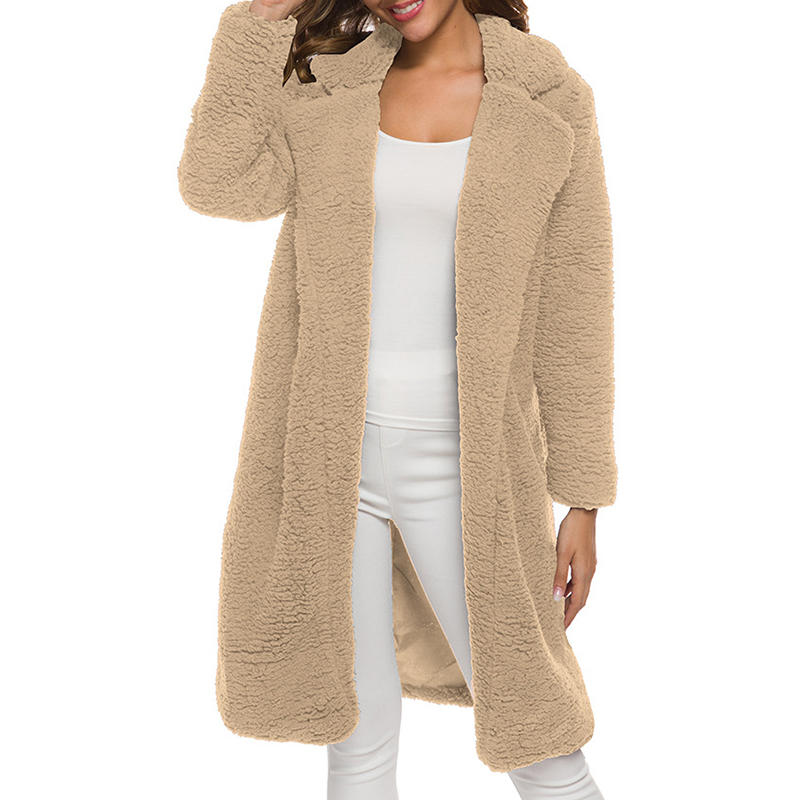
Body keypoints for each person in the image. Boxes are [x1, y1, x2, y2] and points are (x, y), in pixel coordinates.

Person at [178, 1, 617, 798]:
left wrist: (582, 497)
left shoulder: (551, 102)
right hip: (327, 455)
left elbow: (574, 307)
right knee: (356, 737)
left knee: (534, 728)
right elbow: (217, 183)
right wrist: (260, 19)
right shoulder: (329, 90)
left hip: (466, 464)